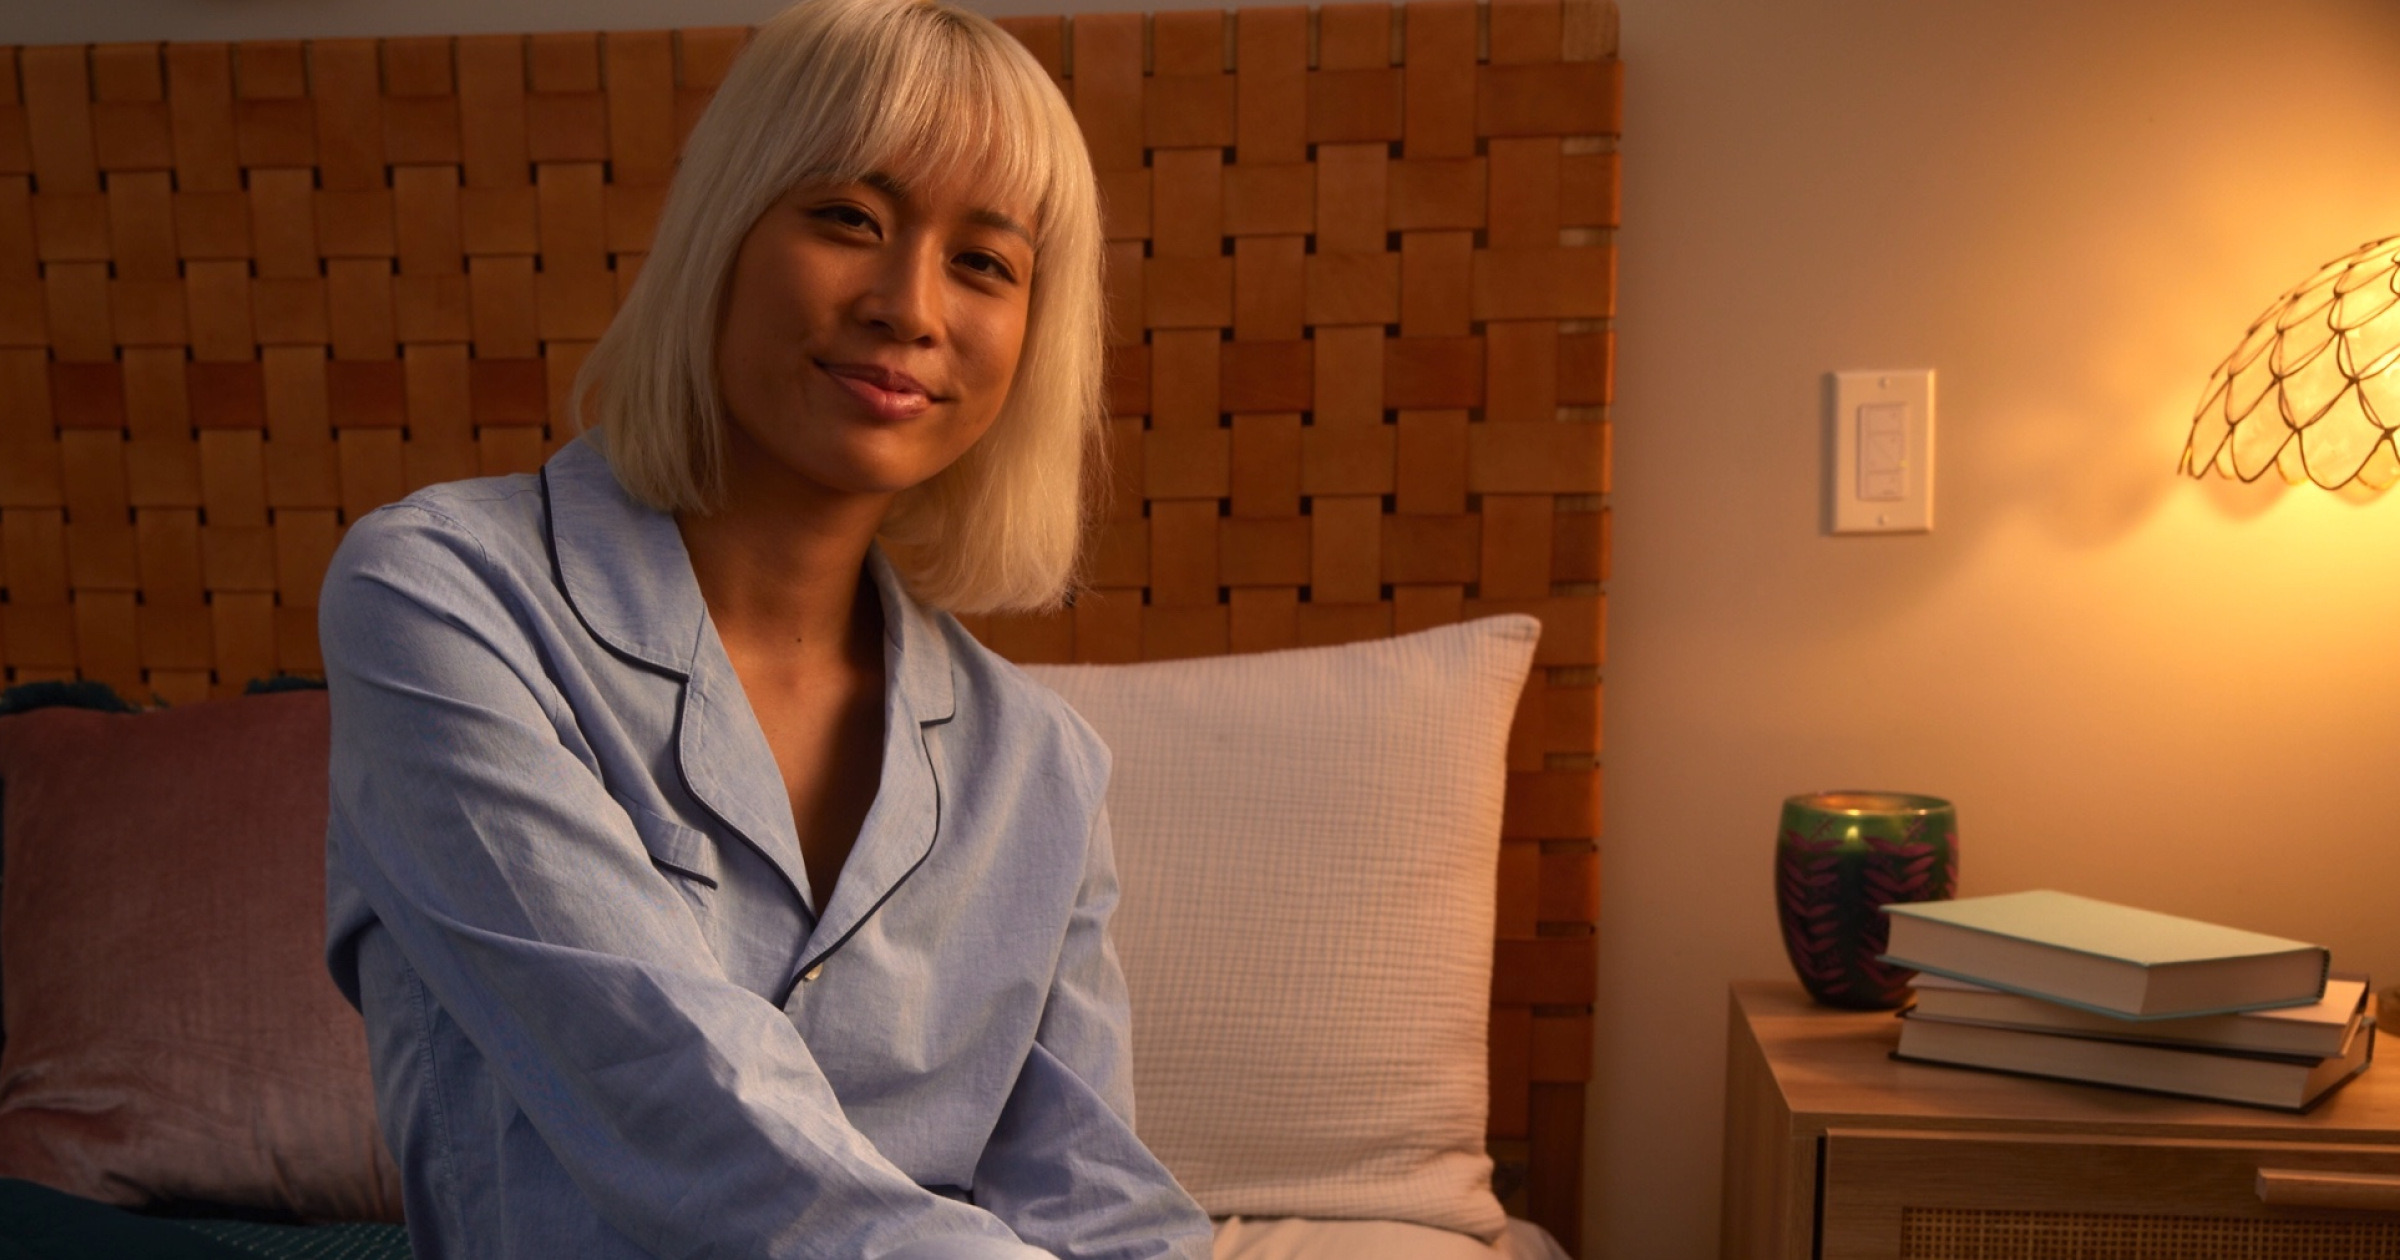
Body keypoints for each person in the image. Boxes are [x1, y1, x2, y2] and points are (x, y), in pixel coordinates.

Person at [317, 1, 1212, 1256]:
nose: (911, 307)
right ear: (726, 226)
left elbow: (1099, 1200)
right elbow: (682, 1111)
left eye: (985, 262)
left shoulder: (1044, 766)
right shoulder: (441, 600)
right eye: (850, 217)